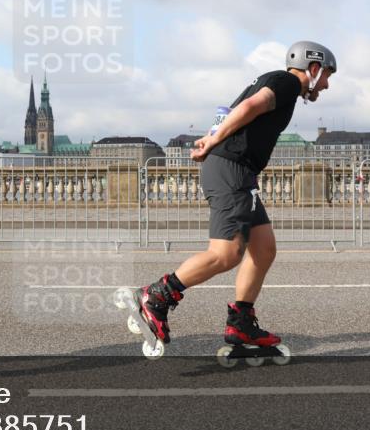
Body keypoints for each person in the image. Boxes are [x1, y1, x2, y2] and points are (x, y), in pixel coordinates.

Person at [135, 41, 337, 350]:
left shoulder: (276, 83)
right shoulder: (286, 82)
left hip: (240, 172)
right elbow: (248, 108)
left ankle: (241, 324)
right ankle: (157, 295)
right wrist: (211, 140)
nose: (326, 84)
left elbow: (230, 111)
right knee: (226, 253)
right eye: (326, 76)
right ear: (313, 68)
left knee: (264, 248)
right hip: (232, 169)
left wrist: (210, 138)